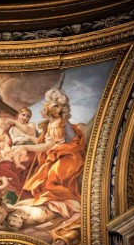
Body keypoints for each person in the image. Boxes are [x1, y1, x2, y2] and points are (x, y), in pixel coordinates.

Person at [14, 89, 85, 231]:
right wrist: (30, 142)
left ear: (51, 111)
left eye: (44, 107)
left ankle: (69, 202)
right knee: (43, 175)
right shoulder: (50, 126)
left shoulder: (61, 124)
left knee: (51, 177)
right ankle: (53, 202)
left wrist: (26, 148)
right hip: (58, 156)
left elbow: (52, 145)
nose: (42, 110)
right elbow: (45, 144)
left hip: (69, 157)